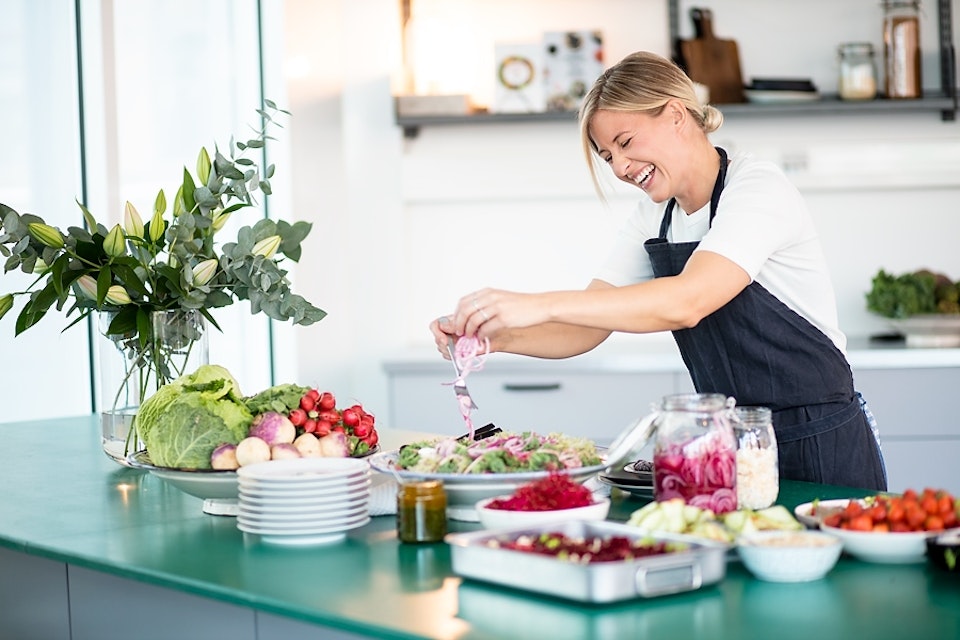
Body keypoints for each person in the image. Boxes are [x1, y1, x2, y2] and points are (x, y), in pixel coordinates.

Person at [429, 51, 887, 492]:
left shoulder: (759, 189)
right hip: (735, 447)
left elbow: (687, 301)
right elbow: (583, 329)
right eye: (608, 157)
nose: (621, 168)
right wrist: (489, 339)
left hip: (820, 442)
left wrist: (532, 304)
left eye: (625, 143)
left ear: (675, 115)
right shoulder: (655, 218)